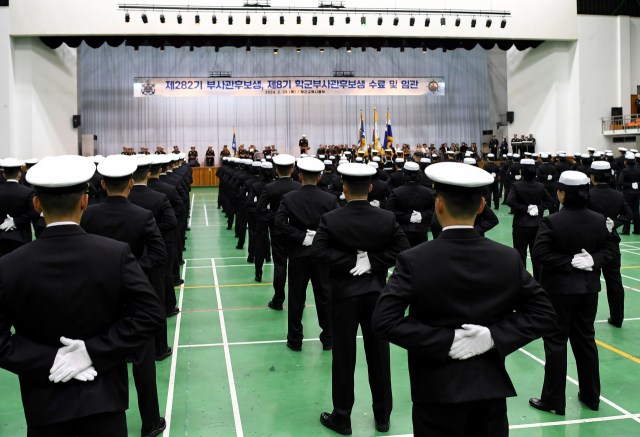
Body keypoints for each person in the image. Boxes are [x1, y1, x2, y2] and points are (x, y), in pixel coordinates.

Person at [372, 161, 556, 437]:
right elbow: (544, 314)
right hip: (489, 393)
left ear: (438, 205)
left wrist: (444, 340)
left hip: (436, 392)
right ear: (482, 206)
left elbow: (384, 321)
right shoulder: (507, 258)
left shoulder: (414, 260)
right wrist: (493, 336)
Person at [0, 155, 164, 436]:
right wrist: (92, 352)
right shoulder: (116, 254)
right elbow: (151, 315)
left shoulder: (8, 266)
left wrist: (49, 360)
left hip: (44, 408)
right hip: (104, 402)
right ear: (85, 201)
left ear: (37, 204)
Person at [312, 163, 410, 436]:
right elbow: (403, 248)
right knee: (379, 356)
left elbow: (318, 251)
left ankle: (342, 417)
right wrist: (371, 262)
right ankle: (382, 417)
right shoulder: (386, 218)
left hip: (344, 297)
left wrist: (348, 261)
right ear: (369, 188)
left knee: (344, 357)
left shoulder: (331, 219)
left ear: (344, 188)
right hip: (377, 295)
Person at [80, 155, 167, 435]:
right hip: (134, 298)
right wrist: (130, 270)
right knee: (143, 363)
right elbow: (159, 255)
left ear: (102, 184)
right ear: (131, 183)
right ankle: (150, 422)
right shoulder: (142, 216)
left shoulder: (89, 214)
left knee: (102, 357)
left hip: (99, 298)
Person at [530, 170, 616, 416]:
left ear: (562, 194)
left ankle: (554, 400)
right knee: (586, 341)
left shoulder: (552, 221)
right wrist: (592, 261)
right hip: (588, 290)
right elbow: (611, 247)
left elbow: (540, 254)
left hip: (558, 292)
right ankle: (592, 396)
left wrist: (569, 262)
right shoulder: (600, 220)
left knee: (556, 343)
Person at [275, 157, 337, 351]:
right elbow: (337, 225)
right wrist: (319, 237)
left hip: (298, 255)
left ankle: (295, 339)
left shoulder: (289, 198)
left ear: (299, 175)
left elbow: (280, 223)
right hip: (322, 257)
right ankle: (328, 338)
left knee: (296, 298)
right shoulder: (330, 199)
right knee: (324, 297)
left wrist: (302, 236)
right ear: (319, 177)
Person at [128, 155, 178, 361]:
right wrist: (151, 231)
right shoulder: (159, 198)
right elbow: (172, 221)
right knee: (155, 302)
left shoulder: (124, 200)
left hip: (125, 259)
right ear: (148, 174)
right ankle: (159, 349)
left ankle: (129, 350)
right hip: (152, 256)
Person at [588, 161, 632, 327]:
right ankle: (617, 318)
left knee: (591, 282)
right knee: (614, 282)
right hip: (611, 243)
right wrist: (614, 222)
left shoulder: (588, 194)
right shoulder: (618, 195)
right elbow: (628, 215)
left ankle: (588, 319)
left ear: (593, 176)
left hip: (591, 244)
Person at [256, 154, 301, 300]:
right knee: (296, 267)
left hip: (277, 231)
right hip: (296, 232)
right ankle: (298, 300)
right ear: (292, 169)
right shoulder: (298, 187)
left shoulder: (270, 187)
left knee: (280, 265)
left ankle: (278, 299)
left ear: (276, 170)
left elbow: (260, 208)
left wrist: (276, 218)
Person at [506, 159, 554, 281]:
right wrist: (538, 207)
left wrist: (525, 208)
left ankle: (522, 282)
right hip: (537, 225)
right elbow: (550, 201)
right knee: (537, 256)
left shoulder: (516, 186)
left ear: (521, 171)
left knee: (520, 256)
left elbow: (510, 201)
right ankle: (538, 282)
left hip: (520, 225)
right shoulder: (540, 186)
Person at [385, 162, 434, 247]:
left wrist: (407, 216)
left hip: (402, 231)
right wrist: (422, 215)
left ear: (404, 175)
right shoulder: (428, 192)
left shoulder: (397, 192)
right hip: (422, 230)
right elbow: (434, 209)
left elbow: (389, 211)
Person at [0, 158, 40, 256]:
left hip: (1, 236)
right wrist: (15, 221)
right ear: (20, 174)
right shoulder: (28, 192)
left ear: (4, 175)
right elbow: (34, 211)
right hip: (22, 236)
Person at [618, 152, 640, 235]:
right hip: (637, 192)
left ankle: (626, 230)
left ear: (626, 162)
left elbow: (620, 182)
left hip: (627, 193)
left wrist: (629, 184)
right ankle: (637, 229)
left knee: (627, 211)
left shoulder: (624, 171)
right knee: (636, 211)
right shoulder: (637, 170)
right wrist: (636, 184)